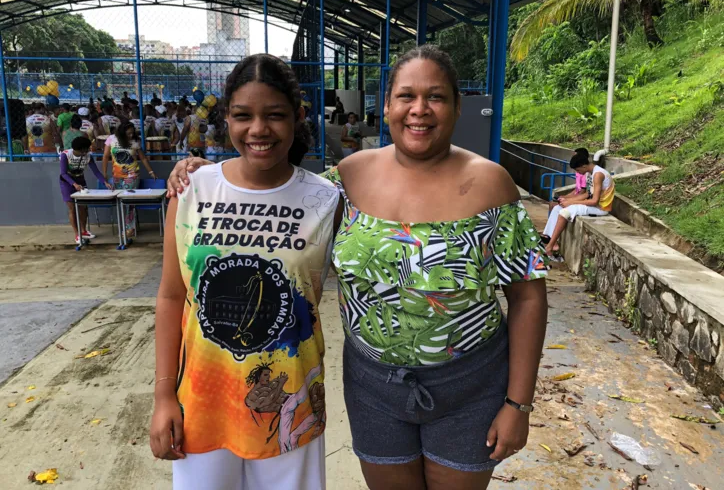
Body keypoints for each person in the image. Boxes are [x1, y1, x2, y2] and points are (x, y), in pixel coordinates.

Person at [167, 45, 549, 490]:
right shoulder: (345, 180)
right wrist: (204, 174)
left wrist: (518, 404)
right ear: (386, 105)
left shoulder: (491, 184)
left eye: (436, 97)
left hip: (469, 386)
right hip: (374, 388)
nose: (419, 110)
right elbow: (274, 193)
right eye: (406, 96)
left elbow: (527, 297)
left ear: (457, 106)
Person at [151, 54, 338, 490]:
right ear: (227, 120)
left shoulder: (326, 198)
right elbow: (170, 297)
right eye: (243, 116)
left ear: (297, 118)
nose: (258, 129)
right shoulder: (192, 188)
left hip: (290, 403)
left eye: (275, 115)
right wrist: (163, 396)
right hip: (202, 400)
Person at [543, 151, 615, 256]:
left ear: (584, 166)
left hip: (600, 208)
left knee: (564, 212)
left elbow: (594, 200)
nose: (578, 173)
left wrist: (571, 203)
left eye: (578, 170)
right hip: (593, 205)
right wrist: (568, 201)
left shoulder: (598, 175)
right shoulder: (590, 173)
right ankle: (550, 240)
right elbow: (587, 194)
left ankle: (550, 247)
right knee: (557, 208)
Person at [102, 121, 156, 240]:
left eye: (132, 133)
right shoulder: (111, 139)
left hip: (132, 176)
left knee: (129, 202)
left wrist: (151, 172)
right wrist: (104, 173)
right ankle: (124, 226)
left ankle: (130, 228)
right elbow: (106, 156)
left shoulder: (135, 142)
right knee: (120, 202)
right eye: (128, 133)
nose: (131, 135)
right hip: (117, 176)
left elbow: (143, 158)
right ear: (122, 133)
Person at [59, 136, 112, 243]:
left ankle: (84, 231)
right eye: (87, 148)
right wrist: (74, 184)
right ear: (82, 149)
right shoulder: (66, 155)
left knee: (83, 207)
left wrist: (104, 182)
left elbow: (96, 171)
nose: (88, 150)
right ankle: (77, 234)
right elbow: (63, 173)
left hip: (81, 181)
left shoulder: (88, 156)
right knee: (72, 208)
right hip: (67, 183)